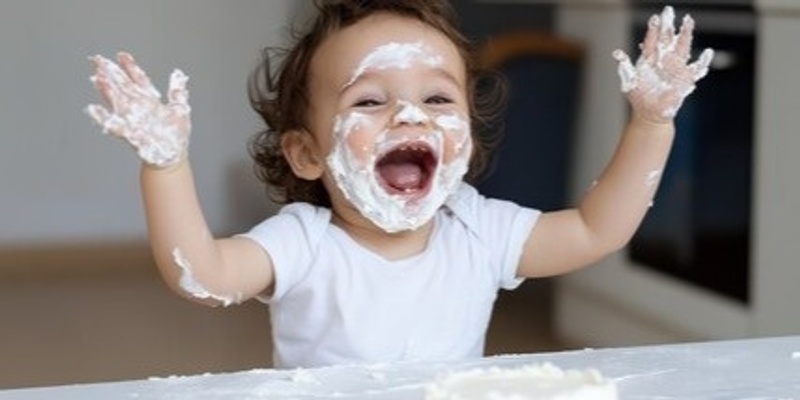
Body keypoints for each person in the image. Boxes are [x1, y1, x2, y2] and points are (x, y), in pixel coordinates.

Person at [85, 1, 713, 368]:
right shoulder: (305, 243)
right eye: (370, 101)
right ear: (306, 154)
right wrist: (165, 165)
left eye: (437, 98)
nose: (410, 116)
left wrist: (653, 123)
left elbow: (595, 228)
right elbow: (206, 277)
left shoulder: (478, 229)